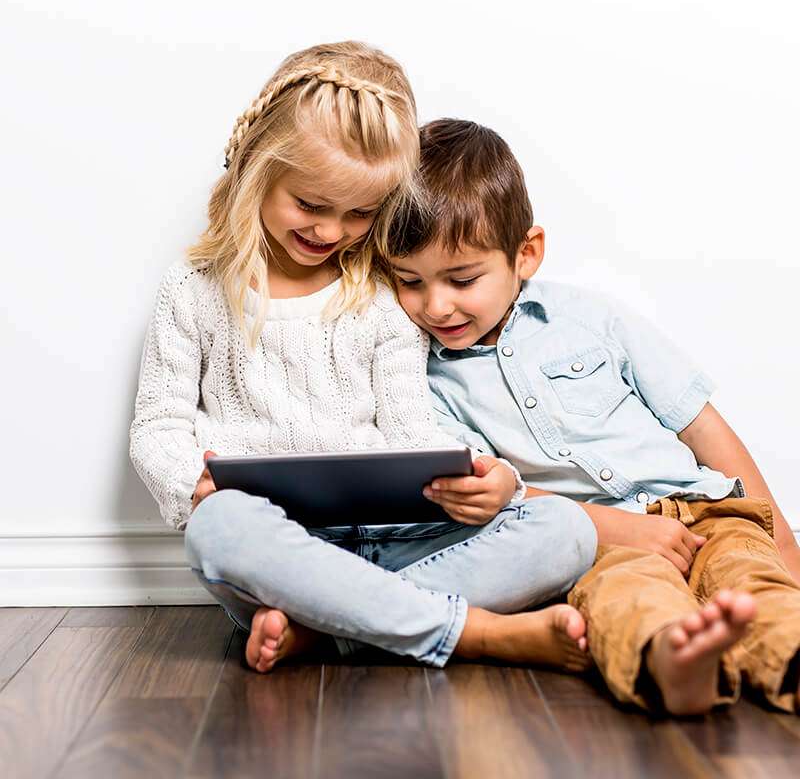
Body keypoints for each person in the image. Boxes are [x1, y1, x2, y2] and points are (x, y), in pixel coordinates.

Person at [129, 43, 597, 677]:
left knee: (565, 529)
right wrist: (192, 484)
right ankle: (475, 633)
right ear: (256, 171)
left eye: (360, 213)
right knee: (218, 530)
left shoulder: (379, 294)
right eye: (311, 205)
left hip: (403, 539)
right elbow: (158, 425)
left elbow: (410, 428)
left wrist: (487, 481)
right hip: (284, 553)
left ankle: (326, 629)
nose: (330, 231)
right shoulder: (195, 288)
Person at [384, 117, 800, 715]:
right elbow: (506, 501)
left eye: (462, 278)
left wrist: (782, 543)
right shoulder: (428, 383)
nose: (436, 305)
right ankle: (673, 663)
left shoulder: (592, 319)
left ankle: (789, 654)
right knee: (623, 599)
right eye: (409, 282)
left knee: (750, 576)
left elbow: (701, 425)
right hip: (602, 542)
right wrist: (615, 531)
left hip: (706, 511)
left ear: (524, 254)